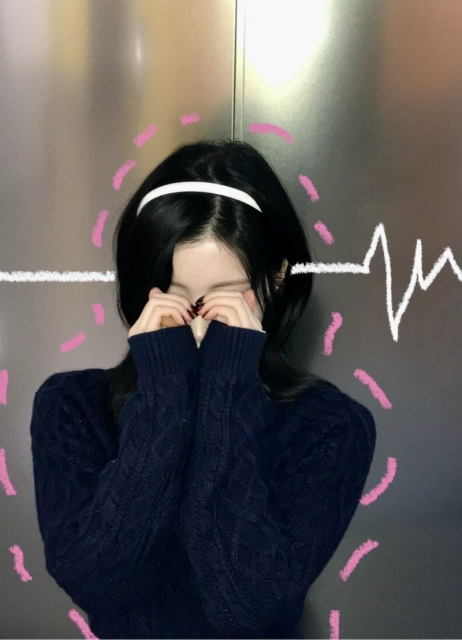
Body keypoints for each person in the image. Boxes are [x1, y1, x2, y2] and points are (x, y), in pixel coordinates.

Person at [30, 138, 377, 639]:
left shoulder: (333, 429)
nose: (196, 327)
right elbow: (96, 585)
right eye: (175, 301)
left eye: (224, 301)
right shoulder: (70, 407)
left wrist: (226, 392)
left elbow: (250, 609)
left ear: (278, 277)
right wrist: (165, 401)